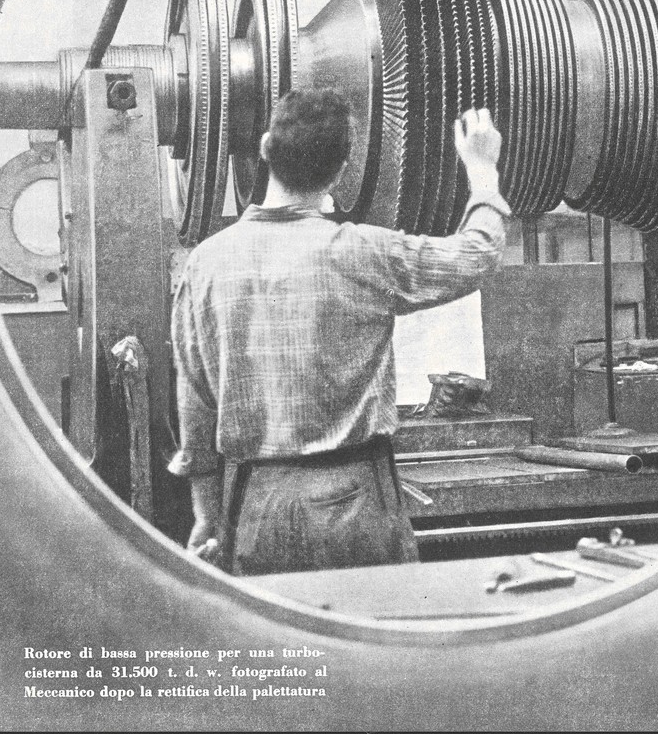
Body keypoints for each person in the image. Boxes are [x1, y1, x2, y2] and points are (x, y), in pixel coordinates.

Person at [168, 89, 509, 576]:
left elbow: (195, 406)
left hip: (255, 503)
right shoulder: (364, 252)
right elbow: (477, 254)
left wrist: (205, 515)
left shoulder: (205, 264)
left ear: (264, 148)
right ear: (342, 171)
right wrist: (482, 170)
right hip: (355, 502)